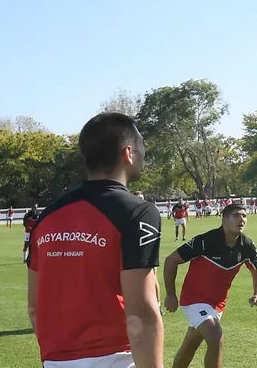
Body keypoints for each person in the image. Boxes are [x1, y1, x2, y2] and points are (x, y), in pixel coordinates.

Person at [27, 111, 164, 368]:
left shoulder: (46, 217)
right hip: (116, 359)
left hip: (55, 360)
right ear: (128, 153)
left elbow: (34, 309)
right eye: (141, 145)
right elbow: (141, 316)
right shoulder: (138, 212)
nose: (144, 152)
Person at [163, 203, 257, 368]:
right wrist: (170, 295)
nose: (241, 219)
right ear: (224, 219)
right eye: (236, 215)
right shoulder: (205, 241)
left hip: (217, 304)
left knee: (190, 346)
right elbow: (171, 260)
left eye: (244, 216)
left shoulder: (247, 246)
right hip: (193, 300)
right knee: (216, 336)